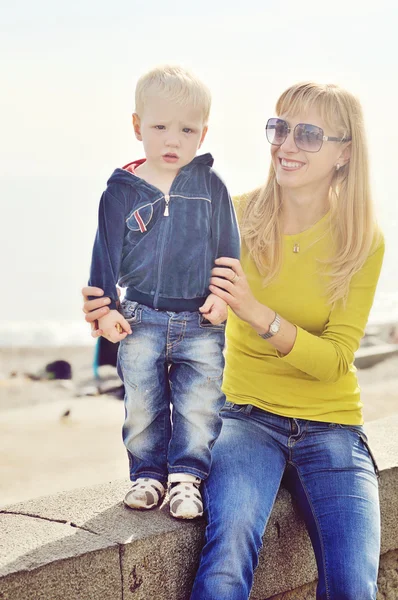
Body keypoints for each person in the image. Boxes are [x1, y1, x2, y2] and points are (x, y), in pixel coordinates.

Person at [83, 81, 384, 599]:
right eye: (280, 128)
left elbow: (335, 361)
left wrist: (255, 311)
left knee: (354, 584)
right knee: (226, 557)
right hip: (244, 418)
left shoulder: (362, 239)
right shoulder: (231, 212)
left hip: (333, 425)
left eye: (308, 134)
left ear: (344, 153)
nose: (286, 146)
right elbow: (150, 271)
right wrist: (106, 306)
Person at [87, 65, 240, 520]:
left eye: (186, 129)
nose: (172, 140)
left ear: (203, 132)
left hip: (199, 321)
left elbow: (228, 248)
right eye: (159, 127)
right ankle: (146, 475)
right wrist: (107, 308)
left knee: (200, 400)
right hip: (140, 315)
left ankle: (187, 478)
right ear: (137, 126)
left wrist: (222, 296)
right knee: (143, 401)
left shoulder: (211, 187)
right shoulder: (121, 192)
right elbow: (104, 255)